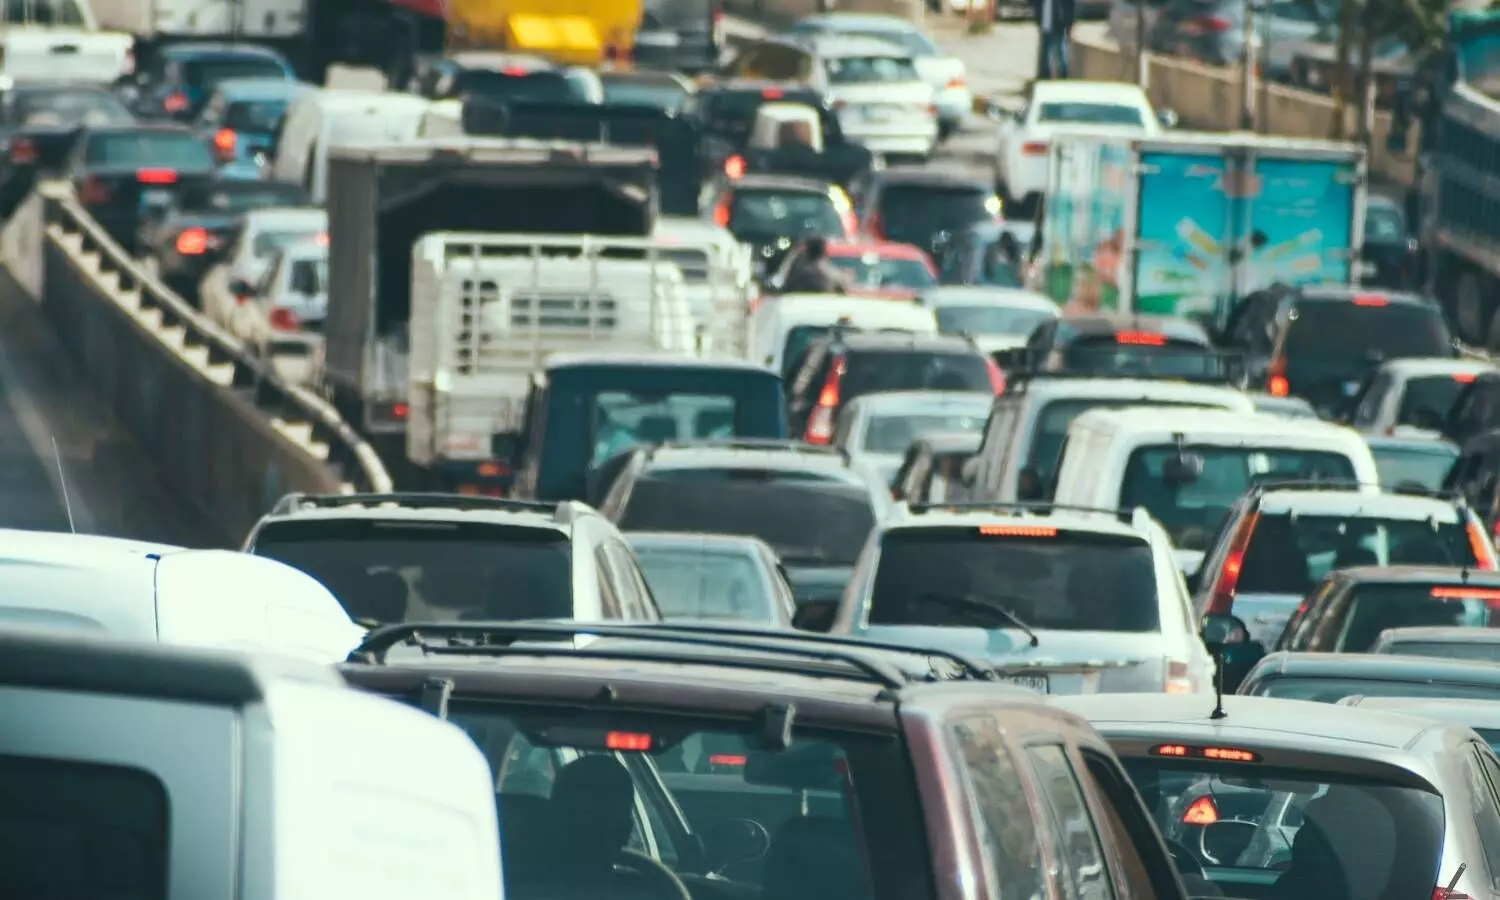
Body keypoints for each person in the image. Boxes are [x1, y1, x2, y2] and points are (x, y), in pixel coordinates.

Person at [780, 236, 847, 294]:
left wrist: (794, 253)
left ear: (807, 250)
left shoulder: (796, 270)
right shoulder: (829, 272)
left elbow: (783, 284)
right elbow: (841, 288)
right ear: (823, 251)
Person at [1032, 0, 1075, 80]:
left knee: (1060, 51)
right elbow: (1035, 4)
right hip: (1045, 26)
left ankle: (1063, 75)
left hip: (1059, 25)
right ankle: (1044, 74)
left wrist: (1069, 24)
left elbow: (1070, 6)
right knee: (1045, 51)